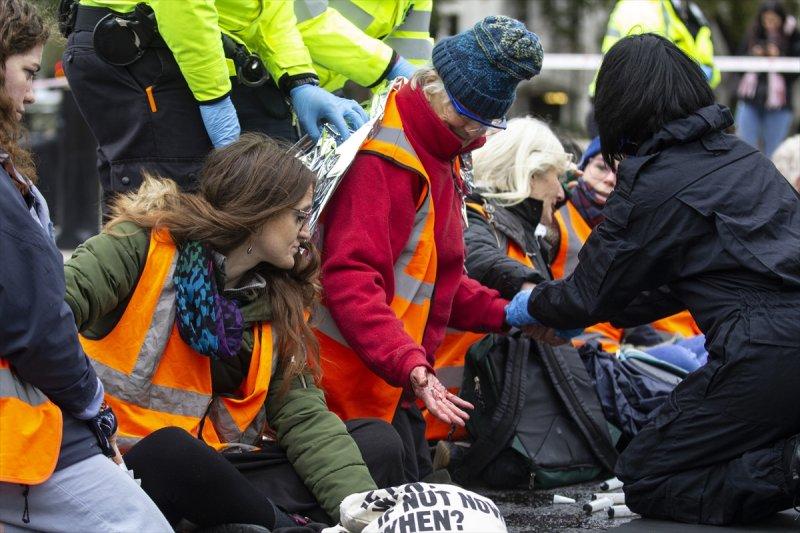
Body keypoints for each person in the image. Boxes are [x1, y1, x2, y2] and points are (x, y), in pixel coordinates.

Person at [506, 33, 800, 525]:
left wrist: (531, 306)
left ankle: (791, 467)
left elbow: (586, 291)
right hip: (775, 344)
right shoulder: (746, 160)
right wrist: (584, 316)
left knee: (647, 476)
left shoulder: (653, 181)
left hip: (761, 353)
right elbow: (673, 284)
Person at [63, 134, 402, 526]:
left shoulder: (277, 297)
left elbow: (305, 419)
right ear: (259, 213)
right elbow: (47, 318)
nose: (307, 233)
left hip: (217, 474)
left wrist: (360, 510)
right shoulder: (139, 246)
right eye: (300, 216)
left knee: (378, 443)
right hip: (121, 470)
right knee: (173, 452)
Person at [315, 15, 543, 483]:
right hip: (338, 390)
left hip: (391, 380)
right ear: (436, 86)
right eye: (467, 118)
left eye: (485, 124)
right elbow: (350, 279)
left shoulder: (442, 149)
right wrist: (413, 367)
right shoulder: (386, 156)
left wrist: (509, 314)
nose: (475, 136)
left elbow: (435, 281)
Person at [0, 1, 170, 530]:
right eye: (27, 72)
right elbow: (39, 327)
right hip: (21, 438)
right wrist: (95, 408)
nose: (31, 93)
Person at [61, 0, 368, 210]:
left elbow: (269, 10)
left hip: (172, 51)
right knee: (168, 213)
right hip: (137, 47)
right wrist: (215, 99)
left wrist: (299, 81)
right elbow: (185, 7)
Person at [425, 116, 570, 441]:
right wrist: (531, 288)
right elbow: (475, 256)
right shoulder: (474, 217)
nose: (561, 192)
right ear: (530, 175)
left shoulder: (522, 228)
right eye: (556, 177)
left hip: (487, 415)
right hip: (453, 421)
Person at [553, 136, 701, 348]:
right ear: (582, 168)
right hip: (581, 347)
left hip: (646, 343)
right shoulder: (557, 216)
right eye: (601, 167)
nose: (610, 179)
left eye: (621, 174)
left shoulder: (635, 223)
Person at [586, 0, 720, 135]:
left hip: (679, 103)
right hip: (632, 106)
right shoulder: (643, 6)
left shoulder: (689, 11)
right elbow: (644, 67)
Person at [295, 0, 432, 93]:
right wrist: (389, 66)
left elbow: (414, 51)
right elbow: (304, 17)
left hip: (325, 94)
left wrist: (424, 88)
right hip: (283, 77)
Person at [735, 0, 800, 157]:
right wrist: (754, 55)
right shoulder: (754, 33)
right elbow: (738, 65)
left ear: (781, 18)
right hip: (751, 101)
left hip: (780, 106)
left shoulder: (792, 36)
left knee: (774, 153)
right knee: (745, 149)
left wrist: (779, 57)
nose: (770, 24)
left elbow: (795, 72)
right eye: (766, 19)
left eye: (773, 19)